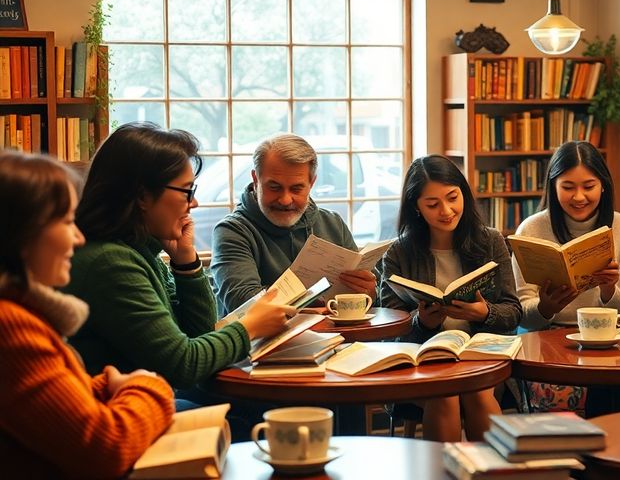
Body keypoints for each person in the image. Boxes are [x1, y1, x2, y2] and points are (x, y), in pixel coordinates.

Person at [64, 123, 290, 411]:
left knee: (252, 410)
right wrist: (249, 328)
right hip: (117, 415)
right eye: (186, 191)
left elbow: (199, 335)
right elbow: (183, 366)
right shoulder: (110, 262)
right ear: (142, 197)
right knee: (260, 416)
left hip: (142, 401)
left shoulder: (140, 252)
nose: (193, 202)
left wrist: (187, 264)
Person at [0, 151, 174, 478]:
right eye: (67, 222)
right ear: (22, 233)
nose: (79, 238)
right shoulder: (11, 326)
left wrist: (101, 387)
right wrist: (147, 386)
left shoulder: (19, 315)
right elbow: (106, 449)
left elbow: (40, 406)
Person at [377, 155, 522, 441]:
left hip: (481, 356)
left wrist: (484, 313)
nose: (446, 211)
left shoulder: (490, 241)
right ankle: (447, 465)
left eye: (453, 198)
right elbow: (390, 331)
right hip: (424, 360)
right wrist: (422, 322)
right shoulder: (398, 253)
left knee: (476, 391)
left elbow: (513, 312)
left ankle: (487, 467)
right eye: (432, 204)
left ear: (463, 193)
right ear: (416, 207)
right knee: (445, 392)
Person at [212, 133, 377, 315]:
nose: (285, 200)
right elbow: (245, 304)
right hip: (268, 336)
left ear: (311, 183)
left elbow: (364, 300)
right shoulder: (232, 231)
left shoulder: (333, 223)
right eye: (274, 187)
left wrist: (367, 292)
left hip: (339, 333)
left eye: (296, 188)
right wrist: (317, 307)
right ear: (255, 180)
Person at [515, 141, 620, 330]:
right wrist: (545, 308)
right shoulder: (529, 230)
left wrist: (609, 290)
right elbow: (522, 315)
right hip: (547, 336)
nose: (579, 197)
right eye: (568, 187)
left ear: (603, 185)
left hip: (609, 336)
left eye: (589, 186)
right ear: (554, 187)